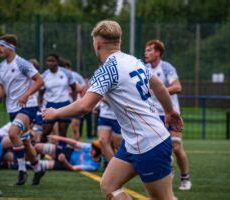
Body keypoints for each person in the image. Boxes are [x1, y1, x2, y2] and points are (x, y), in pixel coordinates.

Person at [43, 20, 183, 200]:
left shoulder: (107, 70)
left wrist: (55, 112)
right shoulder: (133, 60)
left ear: (97, 43)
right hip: (134, 142)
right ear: (119, 42)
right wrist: (170, 111)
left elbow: (85, 105)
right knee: (109, 185)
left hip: (150, 143)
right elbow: (158, 85)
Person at [0, 34, 45, 185]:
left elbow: (39, 80)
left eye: (2, 45)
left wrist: (26, 95)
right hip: (12, 109)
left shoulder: (22, 64)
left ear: (11, 47)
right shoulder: (1, 66)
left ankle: (21, 171)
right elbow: (2, 87)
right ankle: (38, 169)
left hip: (28, 107)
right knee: (24, 142)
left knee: (12, 133)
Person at [145, 39, 192, 190]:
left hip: (171, 114)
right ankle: (167, 171)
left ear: (158, 52)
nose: (146, 53)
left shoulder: (166, 67)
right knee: (158, 150)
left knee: (177, 148)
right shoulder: (144, 69)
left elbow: (177, 87)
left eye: (150, 50)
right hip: (153, 116)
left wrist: (159, 91)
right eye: (146, 50)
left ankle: (185, 178)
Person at [39, 54, 78, 145]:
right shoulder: (44, 75)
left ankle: (60, 155)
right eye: (48, 61)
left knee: (63, 131)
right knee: (46, 130)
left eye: (52, 61)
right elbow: (41, 92)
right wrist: (39, 104)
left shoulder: (66, 73)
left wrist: (74, 102)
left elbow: (74, 88)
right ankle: (40, 153)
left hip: (64, 103)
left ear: (57, 62)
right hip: (50, 104)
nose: (50, 63)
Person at [35, 135, 101, 171]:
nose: (91, 150)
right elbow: (75, 143)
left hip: (66, 163)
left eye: (93, 150)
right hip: (67, 151)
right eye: (92, 148)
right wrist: (59, 138)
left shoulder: (92, 166)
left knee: (37, 165)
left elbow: (72, 168)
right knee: (38, 147)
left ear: (98, 153)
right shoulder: (90, 147)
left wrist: (64, 160)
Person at [64, 59, 86, 140]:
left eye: (66, 68)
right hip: (64, 104)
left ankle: (75, 147)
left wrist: (83, 101)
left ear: (69, 68)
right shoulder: (60, 76)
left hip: (76, 104)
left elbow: (84, 88)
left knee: (75, 127)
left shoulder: (76, 76)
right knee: (62, 128)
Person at [97, 99, 122, 163]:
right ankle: (114, 166)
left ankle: (122, 165)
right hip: (104, 115)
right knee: (102, 141)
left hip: (119, 116)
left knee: (117, 145)